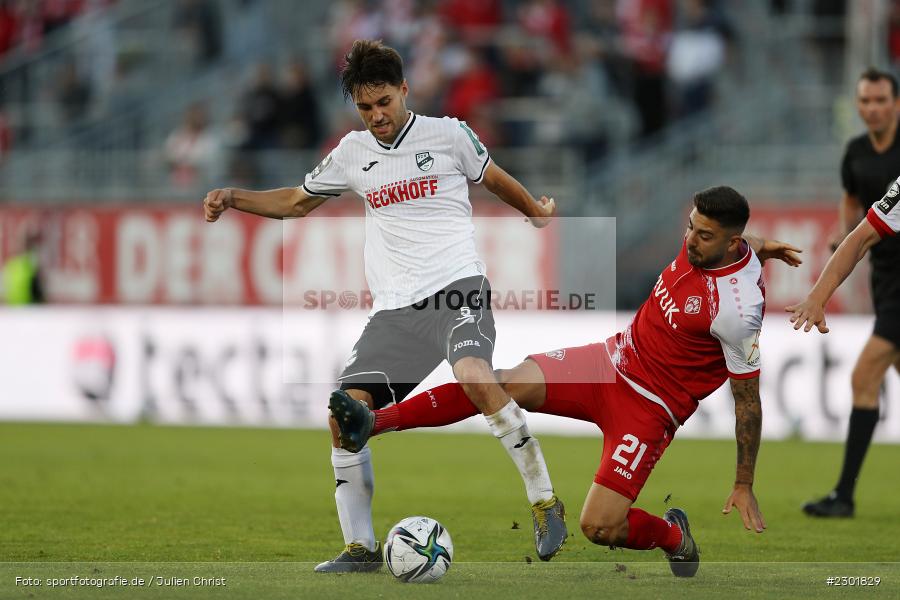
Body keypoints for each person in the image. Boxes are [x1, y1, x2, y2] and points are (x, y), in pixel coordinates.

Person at [203, 39, 566, 572]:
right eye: (365, 108)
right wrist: (236, 196)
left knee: (474, 374)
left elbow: (491, 176)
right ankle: (361, 548)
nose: (376, 116)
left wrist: (534, 209)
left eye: (384, 104)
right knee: (344, 416)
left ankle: (544, 501)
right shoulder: (352, 152)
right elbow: (297, 202)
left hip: (459, 289)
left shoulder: (448, 133)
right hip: (397, 311)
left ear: (404, 90)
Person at [332, 186, 802, 577]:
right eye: (690, 228)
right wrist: (766, 245)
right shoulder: (720, 244)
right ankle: (373, 422)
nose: (691, 240)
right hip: (608, 361)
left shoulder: (739, 312)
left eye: (704, 236)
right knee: (497, 383)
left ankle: (675, 537)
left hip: (649, 407)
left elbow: (748, 403)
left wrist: (743, 482)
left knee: (600, 527)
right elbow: (746, 246)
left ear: (729, 240)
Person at [795, 68, 900, 519]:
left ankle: (844, 495)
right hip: (886, 277)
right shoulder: (857, 154)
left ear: (895, 103)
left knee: (864, 377)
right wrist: (841, 237)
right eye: (866, 101)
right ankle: (844, 495)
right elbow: (856, 228)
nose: (873, 108)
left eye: (881, 100)